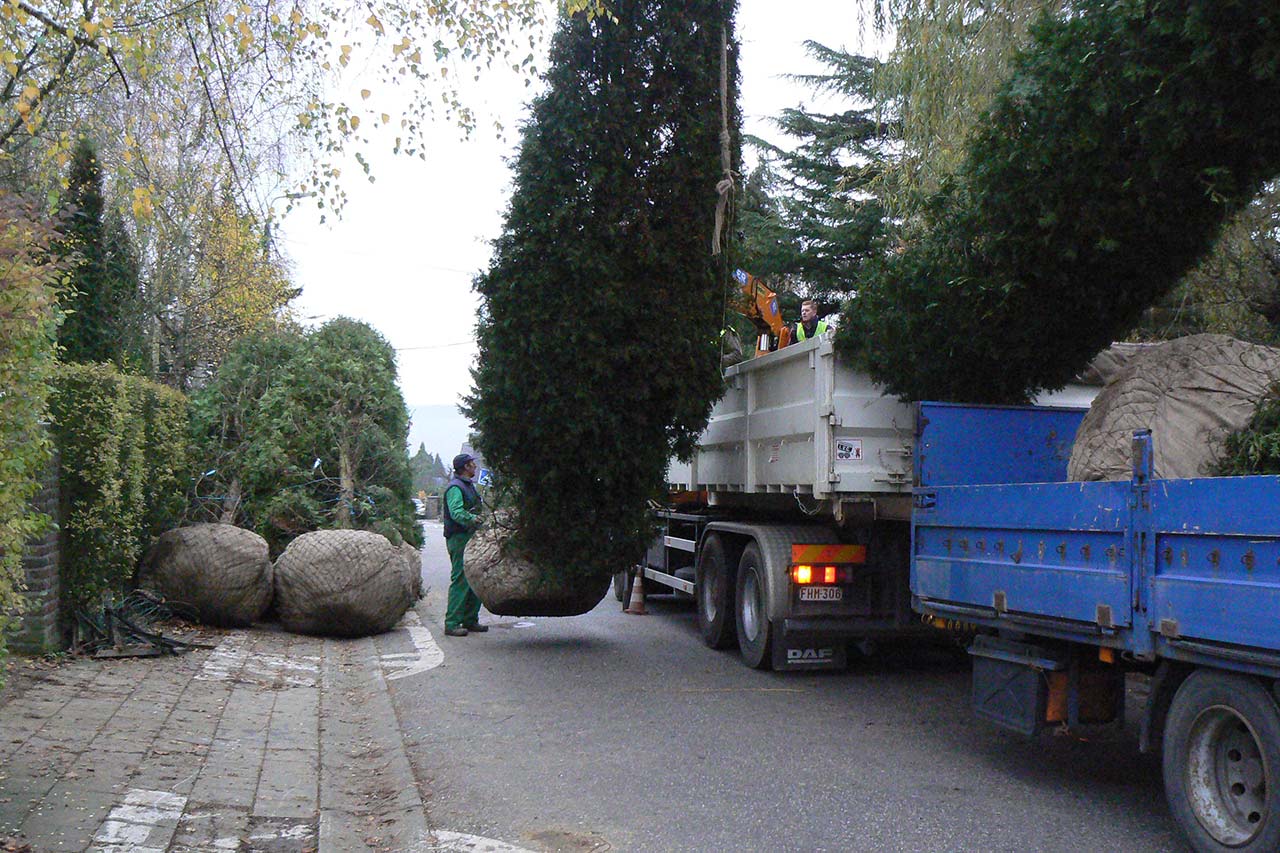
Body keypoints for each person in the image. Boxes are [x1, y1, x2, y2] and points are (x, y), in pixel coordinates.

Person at [443, 452, 486, 637]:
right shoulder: (455, 488)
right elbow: (457, 512)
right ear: (465, 467)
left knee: (474, 578)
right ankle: (452, 623)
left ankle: (470, 619)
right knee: (461, 579)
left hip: (470, 536)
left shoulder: (468, 486)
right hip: (459, 537)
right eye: (472, 464)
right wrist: (474, 519)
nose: (475, 467)